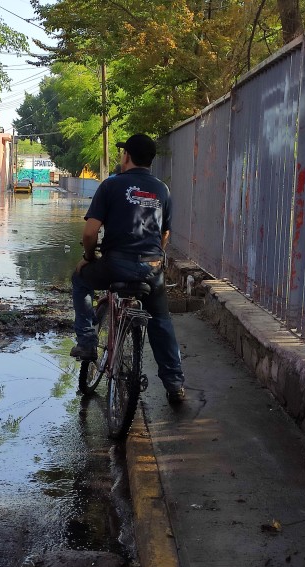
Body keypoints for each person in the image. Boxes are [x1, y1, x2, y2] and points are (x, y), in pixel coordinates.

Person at [70, 134, 186, 403]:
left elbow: (90, 233)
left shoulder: (111, 185)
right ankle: (175, 385)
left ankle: (87, 343)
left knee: (80, 280)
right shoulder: (162, 190)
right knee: (161, 320)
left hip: (115, 265)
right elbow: (165, 234)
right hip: (151, 267)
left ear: (126, 156)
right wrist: (153, 259)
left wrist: (88, 257)